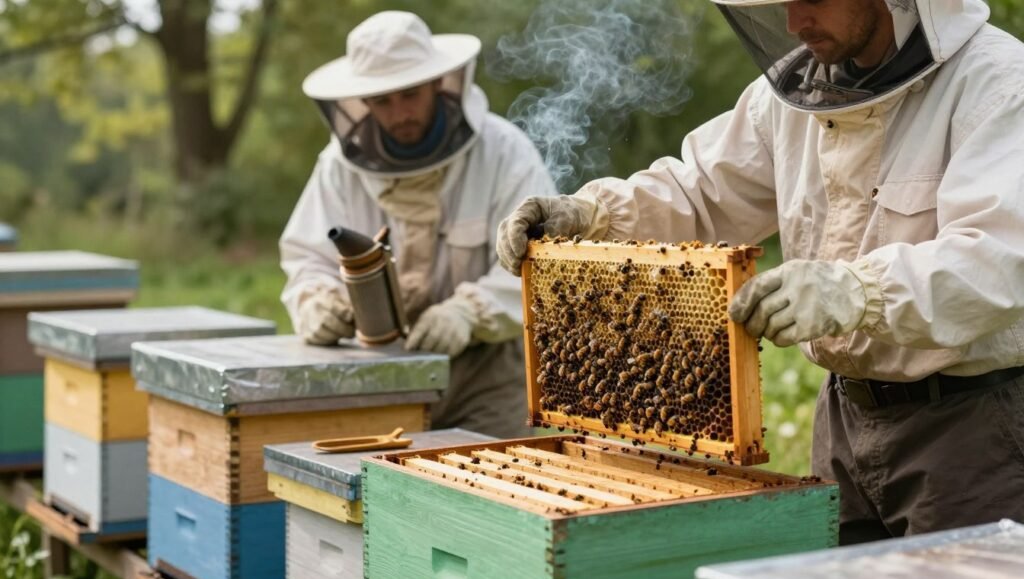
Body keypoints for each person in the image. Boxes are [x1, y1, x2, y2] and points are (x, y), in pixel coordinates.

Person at [497, 0, 1024, 543]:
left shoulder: (998, 84)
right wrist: (596, 214)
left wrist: (858, 290)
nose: (795, 22)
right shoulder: (793, 95)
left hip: (970, 426)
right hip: (842, 416)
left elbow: (998, 257)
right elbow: (700, 193)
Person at [281, 11, 556, 438]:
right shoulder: (338, 168)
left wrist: (470, 312)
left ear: (437, 83)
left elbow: (537, 259)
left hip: (484, 377)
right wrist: (314, 301)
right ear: (363, 103)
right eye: (383, 101)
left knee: (487, 498)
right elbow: (307, 257)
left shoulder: (504, 152)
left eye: (410, 94)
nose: (399, 113)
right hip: (374, 374)